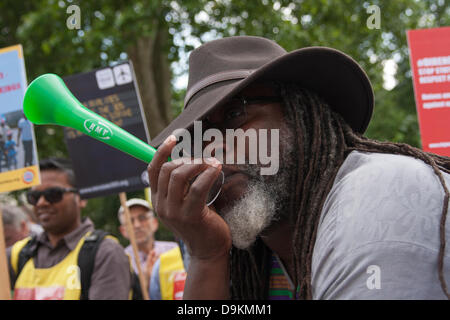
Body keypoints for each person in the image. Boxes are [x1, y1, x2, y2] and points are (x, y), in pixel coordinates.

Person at [147, 36, 450, 300]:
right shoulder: (248, 258)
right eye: (198, 137)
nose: (211, 146)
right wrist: (207, 257)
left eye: (235, 115)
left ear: (299, 112)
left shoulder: (384, 195)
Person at [7, 157, 132, 300]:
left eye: (52, 195)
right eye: (34, 197)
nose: (42, 203)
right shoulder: (17, 254)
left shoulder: (106, 253)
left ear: (81, 198)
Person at [118, 198, 178, 296]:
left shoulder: (174, 249)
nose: (137, 225)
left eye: (142, 218)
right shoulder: (121, 261)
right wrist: (142, 285)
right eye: (130, 221)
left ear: (154, 223)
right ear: (123, 231)